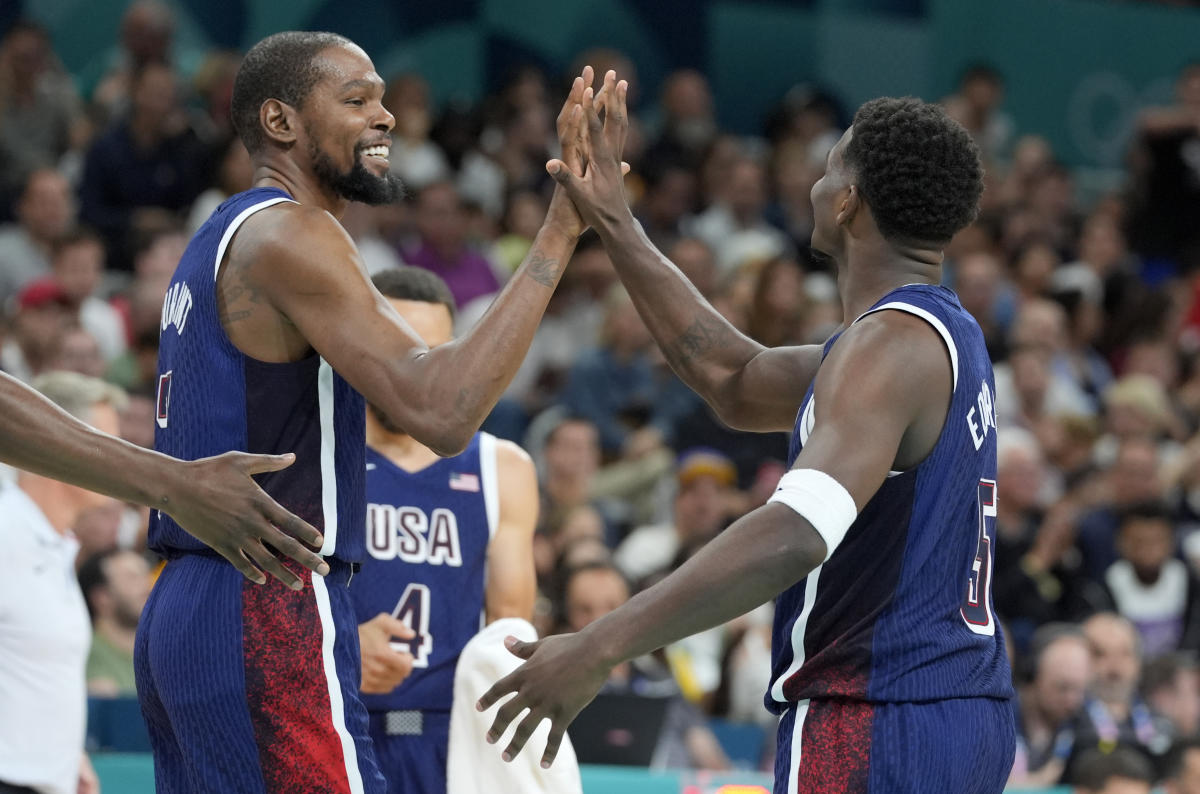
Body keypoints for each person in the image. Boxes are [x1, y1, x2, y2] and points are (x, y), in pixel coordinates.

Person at [479, 77, 1015, 792]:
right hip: (955, 714)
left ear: (850, 201)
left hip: (878, 716)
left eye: (830, 170)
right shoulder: (939, 336)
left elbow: (797, 530)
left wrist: (600, 645)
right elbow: (734, 378)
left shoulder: (888, 347)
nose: (818, 186)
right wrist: (615, 219)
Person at [134, 32, 593, 793]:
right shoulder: (295, 232)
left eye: (383, 98)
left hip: (187, 605)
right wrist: (560, 230)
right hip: (268, 599)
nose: (385, 118)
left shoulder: (216, 237)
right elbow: (443, 412)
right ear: (280, 122)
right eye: (356, 100)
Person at [350, 267, 538, 794]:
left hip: (450, 738)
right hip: (334, 715)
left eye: (431, 353)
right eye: (397, 348)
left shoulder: (501, 468)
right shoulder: (312, 457)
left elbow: (507, 638)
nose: (416, 371)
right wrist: (339, 645)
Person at [0, 367, 326, 584]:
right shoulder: (9, 527)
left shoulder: (64, 542)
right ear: (53, 435)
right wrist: (178, 485)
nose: (121, 449)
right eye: (106, 439)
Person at [0, 372, 128, 794]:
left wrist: (66, 754)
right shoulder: (7, 531)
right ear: (57, 444)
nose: (126, 459)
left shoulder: (56, 545)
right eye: (109, 441)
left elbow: (33, 671)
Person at [78, 548, 153, 695]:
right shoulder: (81, 653)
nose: (147, 586)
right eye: (132, 577)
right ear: (102, 599)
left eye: (146, 575)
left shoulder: (164, 652)